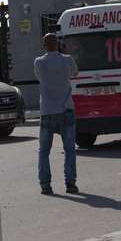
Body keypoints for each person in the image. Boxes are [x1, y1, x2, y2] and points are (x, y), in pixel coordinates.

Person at [33, 32, 80, 195]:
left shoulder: (39, 62)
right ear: (58, 44)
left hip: (47, 110)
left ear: (44, 45)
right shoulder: (67, 60)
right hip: (66, 109)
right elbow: (75, 72)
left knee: (44, 150)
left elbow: (39, 77)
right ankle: (70, 183)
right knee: (69, 149)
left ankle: (45, 185)